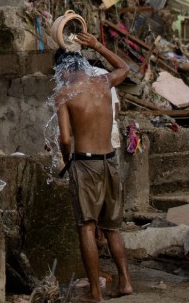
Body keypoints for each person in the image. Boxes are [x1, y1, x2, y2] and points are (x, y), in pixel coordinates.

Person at [55, 30, 132, 300]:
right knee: (112, 227)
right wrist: (98, 45)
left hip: (85, 164)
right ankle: (124, 282)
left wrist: (67, 159)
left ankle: (96, 293)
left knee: (87, 227)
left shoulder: (64, 93)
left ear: (60, 70)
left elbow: (65, 138)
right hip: (110, 161)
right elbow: (125, 67)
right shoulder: (103, 82)